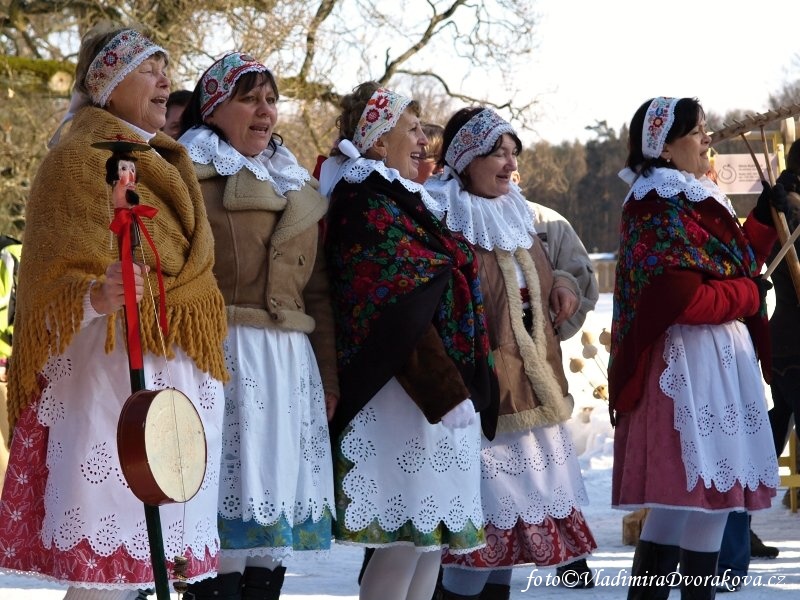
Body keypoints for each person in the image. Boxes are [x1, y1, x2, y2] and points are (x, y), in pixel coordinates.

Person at [0, 23, 228, 600]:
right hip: (106, 384)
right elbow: (49, 289)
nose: (165, 80)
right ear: (110, 81)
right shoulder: (73, 163)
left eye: (166, 68)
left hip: (175, 377)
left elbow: (194, 271)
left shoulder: (170, 163)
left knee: (150, 573)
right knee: (104, 575)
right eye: (149, 68)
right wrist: (95, 298)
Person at [319, 82, 498, 600]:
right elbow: (397, 305)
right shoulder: (363, 200)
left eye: (424, 129)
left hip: (433, 399)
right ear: (377, 142)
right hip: (402, 395)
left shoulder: (401, 198)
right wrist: (444, 388)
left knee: (426, 545)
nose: (424, 140)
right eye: (412, 130)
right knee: (403, 539)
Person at [177, 51, 337, 599]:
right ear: (216, 107)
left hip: (288, 365)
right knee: (220, 511)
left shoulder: (291, 178)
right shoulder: (187, 172)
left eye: (271, 99)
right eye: (249, 98)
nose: (265, 111)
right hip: (220, 355)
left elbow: (317, 291)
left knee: (272, 521)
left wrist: (331, 378)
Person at [609, 96, 783, 599]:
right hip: (685, 370)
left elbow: (730, 261)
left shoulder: (695, 195)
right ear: (663, 147)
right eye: (698, 130)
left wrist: (767, 221)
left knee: (695, 507)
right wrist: (750, 293)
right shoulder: (655, 204)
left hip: (716, 362)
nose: (708, 138)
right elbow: (683, 299)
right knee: (695, 503)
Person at [421, 107, 596, 600]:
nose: (509, 162)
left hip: (530, 396)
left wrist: (558, 284)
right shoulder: (442, 214)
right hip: (480, 405)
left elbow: (530, 276)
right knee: (475, 544)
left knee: (504, 548)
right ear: (464, 156)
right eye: (497, 152)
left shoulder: (515, 209)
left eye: (512, 152)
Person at [768, 137, 800, 506]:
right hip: (794, 344)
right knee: (775, 431)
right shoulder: (789, 209)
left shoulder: (789, 205)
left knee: (776, 428)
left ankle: (739, 521)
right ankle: (737, 522)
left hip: (786, 341)